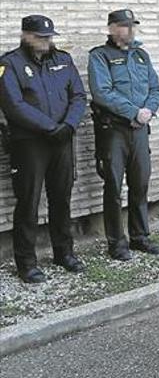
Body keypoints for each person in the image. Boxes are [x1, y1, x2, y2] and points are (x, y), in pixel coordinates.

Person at [0, 15, 87, 283]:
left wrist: (69, 125)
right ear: (25, 35)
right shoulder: (9, 63)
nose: (45, 41)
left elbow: (79, 96)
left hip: (62, 139)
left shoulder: (63, 60)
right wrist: (50, 127)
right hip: (30, 144)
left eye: (49, 37)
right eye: (40, 37)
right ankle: (26, 263)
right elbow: (13, 105)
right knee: (28, 202)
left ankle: (64, 253)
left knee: (61, 198)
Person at [88, 9, 159, 261]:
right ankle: (117, 243)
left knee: (140, 184)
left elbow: (155, 88)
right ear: (111, 28)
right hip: (114, 131)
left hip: (140, 130)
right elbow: (102, 92)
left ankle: (140, 237)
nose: (129, 30)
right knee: (113, 187)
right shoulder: (100, 56)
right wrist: (134, 112)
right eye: (123, 26)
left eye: (132, 26)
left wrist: (148, 111)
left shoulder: (142, 55)